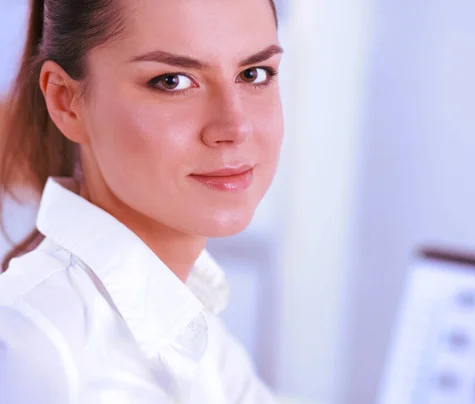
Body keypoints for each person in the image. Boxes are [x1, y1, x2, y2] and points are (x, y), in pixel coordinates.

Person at [0, 0, 283, 403]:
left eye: (254, 74)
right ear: (66, 101)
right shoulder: (36, 351)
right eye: (172, 81)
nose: (234, 127)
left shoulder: (199, 334)